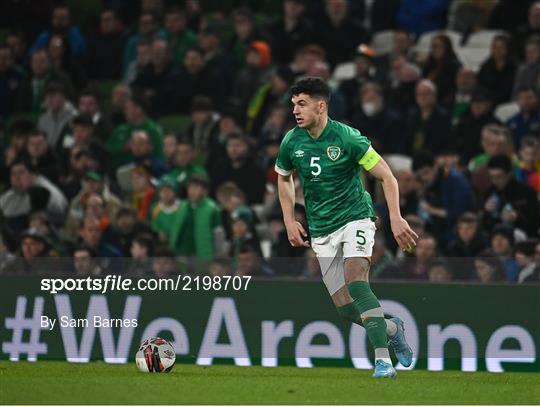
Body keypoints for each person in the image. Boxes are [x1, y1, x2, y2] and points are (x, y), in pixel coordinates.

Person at [275, 77, 418, 378]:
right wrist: (289, 220)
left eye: (302, 104)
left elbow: (387, 177)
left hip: (355, 217)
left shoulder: (348, 139)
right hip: (321, 229)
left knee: (356, 281)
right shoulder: (292, 141)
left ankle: (382, 361)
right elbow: (284, 177)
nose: (296, 111)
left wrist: (395, 217)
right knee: (346, 310)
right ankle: (393, 327)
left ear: (321, 106)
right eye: (293, 105)